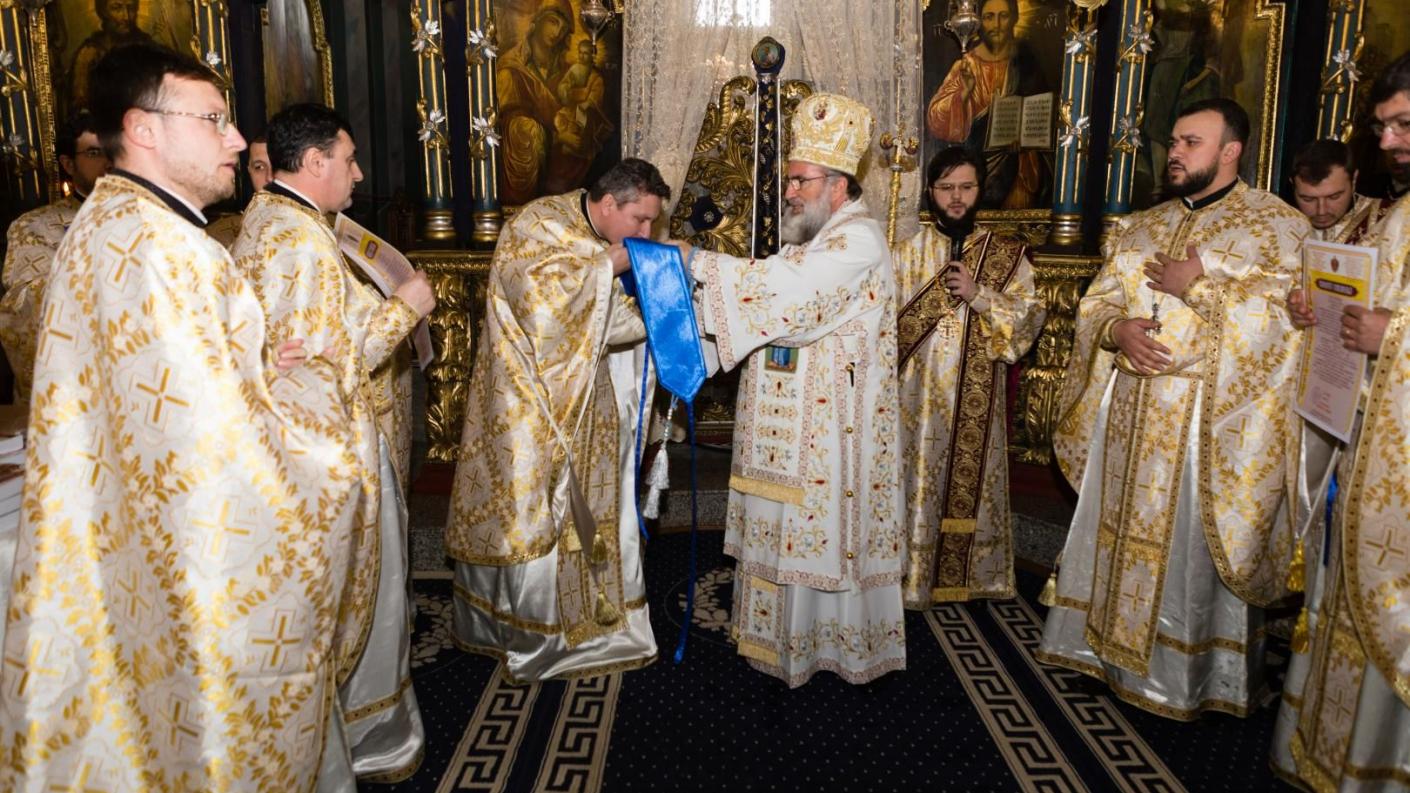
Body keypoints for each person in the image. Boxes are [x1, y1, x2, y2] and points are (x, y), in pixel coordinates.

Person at [0, 44, 363, 789]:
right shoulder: (163, 249)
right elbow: (220, 456)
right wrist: (317, 390)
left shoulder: (118, 225)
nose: (237, 139)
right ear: (145, 129)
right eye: (214, 120)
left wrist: (259, 368)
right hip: (193, 559)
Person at [1038, 98, 1310, 719]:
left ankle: (1185, 678)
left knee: (1185, 554)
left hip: (1203, 427)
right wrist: (1116, 332)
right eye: (1176, 141)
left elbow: (1286, 332)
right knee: (1112, 537)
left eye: (1192, 142)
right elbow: (1098, 302)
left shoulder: (1279, 229)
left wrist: (1200, 287)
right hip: (1128, 414)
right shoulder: (1143, 224)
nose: (1176, 153)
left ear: (1230, 150)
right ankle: (1097, 653)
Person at [232, 102, 435, 783]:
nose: (358, 173)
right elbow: (336, 363)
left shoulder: (272, 219)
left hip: (298, 445)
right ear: (316, 161)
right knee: (368, 590)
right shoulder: (298, 240)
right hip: (332, 447)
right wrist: (406, 306)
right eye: (348, 159)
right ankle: (369, 734)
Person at [676, 93, 905, 687]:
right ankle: (776, 639)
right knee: (781, 525)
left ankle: (822, 647)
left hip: (831, 433)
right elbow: (771, 303)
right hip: (791, 430)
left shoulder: (859, 241)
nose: (791, 192)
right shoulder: (817, 241)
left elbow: (792, 297)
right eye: (790, 180)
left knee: (815, 532)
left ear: (839, 184)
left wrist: (697, 261)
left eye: (801, 180)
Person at [444, 157, 668, 683]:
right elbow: (543, 316)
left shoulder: (606, 236)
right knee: (536, 512)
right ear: (607, 203)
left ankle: (600, 623)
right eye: (640, 219)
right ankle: (537, 634)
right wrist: (609, 268)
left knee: (600, 505)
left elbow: (615, 322)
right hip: (531, 407)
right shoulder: (537, 224)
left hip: (591, 400)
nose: (646, 232)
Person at [1274, 51, 1410, 789]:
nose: (1388, 141)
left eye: (1403, 124)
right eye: (1383, 126)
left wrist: (1396, 335)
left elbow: (1389, 322)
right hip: (1362, 435)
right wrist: (1314, 312)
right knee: (1338, 587)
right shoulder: (1396, 218)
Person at [894, 147, 1045, 608]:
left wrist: (980, 295)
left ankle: (971, 575)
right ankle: (905, 575)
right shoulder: (904, 254)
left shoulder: (1006, 256)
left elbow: (1029, 319)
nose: (956, 198)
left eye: (966, 187)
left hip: (976, 402)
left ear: (981, 191)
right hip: (912, 401)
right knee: (910, 480)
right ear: (931, 192)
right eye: (946, 188)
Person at [0, 110, 109, 405]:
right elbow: (24, 305)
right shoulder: (34, 227)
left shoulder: (153, 218)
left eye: (115, 149)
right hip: (79, 389)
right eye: (94, 152)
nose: (109, 161)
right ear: (68, 164)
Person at [926, 0, 1047, 209]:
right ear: (980, 21)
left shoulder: (1026, 64)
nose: (996, 25)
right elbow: (936, 120)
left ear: (1015, 18)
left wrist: (1026, 142)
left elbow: (1043, 117)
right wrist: (963, 94)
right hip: (973, 171)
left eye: (1004, 16)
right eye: (989, 17)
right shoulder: (966, 66)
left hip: (1018, 172)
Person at [497, 0, 573, 204]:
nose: (557, 32)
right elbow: (501, 112)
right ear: (537, 20)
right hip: (521, 149)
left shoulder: (565, 70)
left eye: (563, 28)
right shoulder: (512, 66)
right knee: (525, 129)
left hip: (552, 157)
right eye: (553, 22)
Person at [1289, 139, 1388, 244]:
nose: (1321, 211)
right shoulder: (1281, 222)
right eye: (1308, 199)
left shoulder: (1386, 219)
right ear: (1292, 185)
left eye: (1334, 197)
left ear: (1354, 180)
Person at [206, 134, 271, 247]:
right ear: (249, 170)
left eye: (278, 166)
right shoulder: (216, 237)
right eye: (259, 167)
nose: (269, 177)